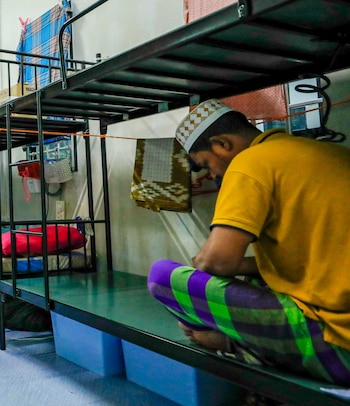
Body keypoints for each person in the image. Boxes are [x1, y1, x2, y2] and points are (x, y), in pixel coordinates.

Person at [148, 99, 350, 385]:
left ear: (222, 144)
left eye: (207, 164)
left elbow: (216, 262)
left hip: (338, 345)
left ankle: (231, 344)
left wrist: (201, 263)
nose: (213, 176)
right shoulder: (327, 152)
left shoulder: (248, 162)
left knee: (162, 277)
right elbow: (310, 258)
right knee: (257, 280)